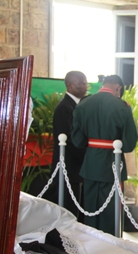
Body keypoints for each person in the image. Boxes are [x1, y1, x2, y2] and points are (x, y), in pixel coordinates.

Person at [72, 75, 138, 235]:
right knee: (111, 215)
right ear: (118, 88)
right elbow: (129, 144)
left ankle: (91, 249)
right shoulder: (123, 107)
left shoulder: (83, 104)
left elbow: (77, 140)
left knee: (91, 211)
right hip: (112, 166)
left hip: (90, 166)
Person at [48, 71, 88, 222]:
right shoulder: (65, 107)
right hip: (69, 166)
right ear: (70, 85)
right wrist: (87, 155)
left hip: (75, 167)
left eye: (85, 83)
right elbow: (69, 139)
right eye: (81, 84)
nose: (85, 87)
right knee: (68, 210)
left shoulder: (77, 105)